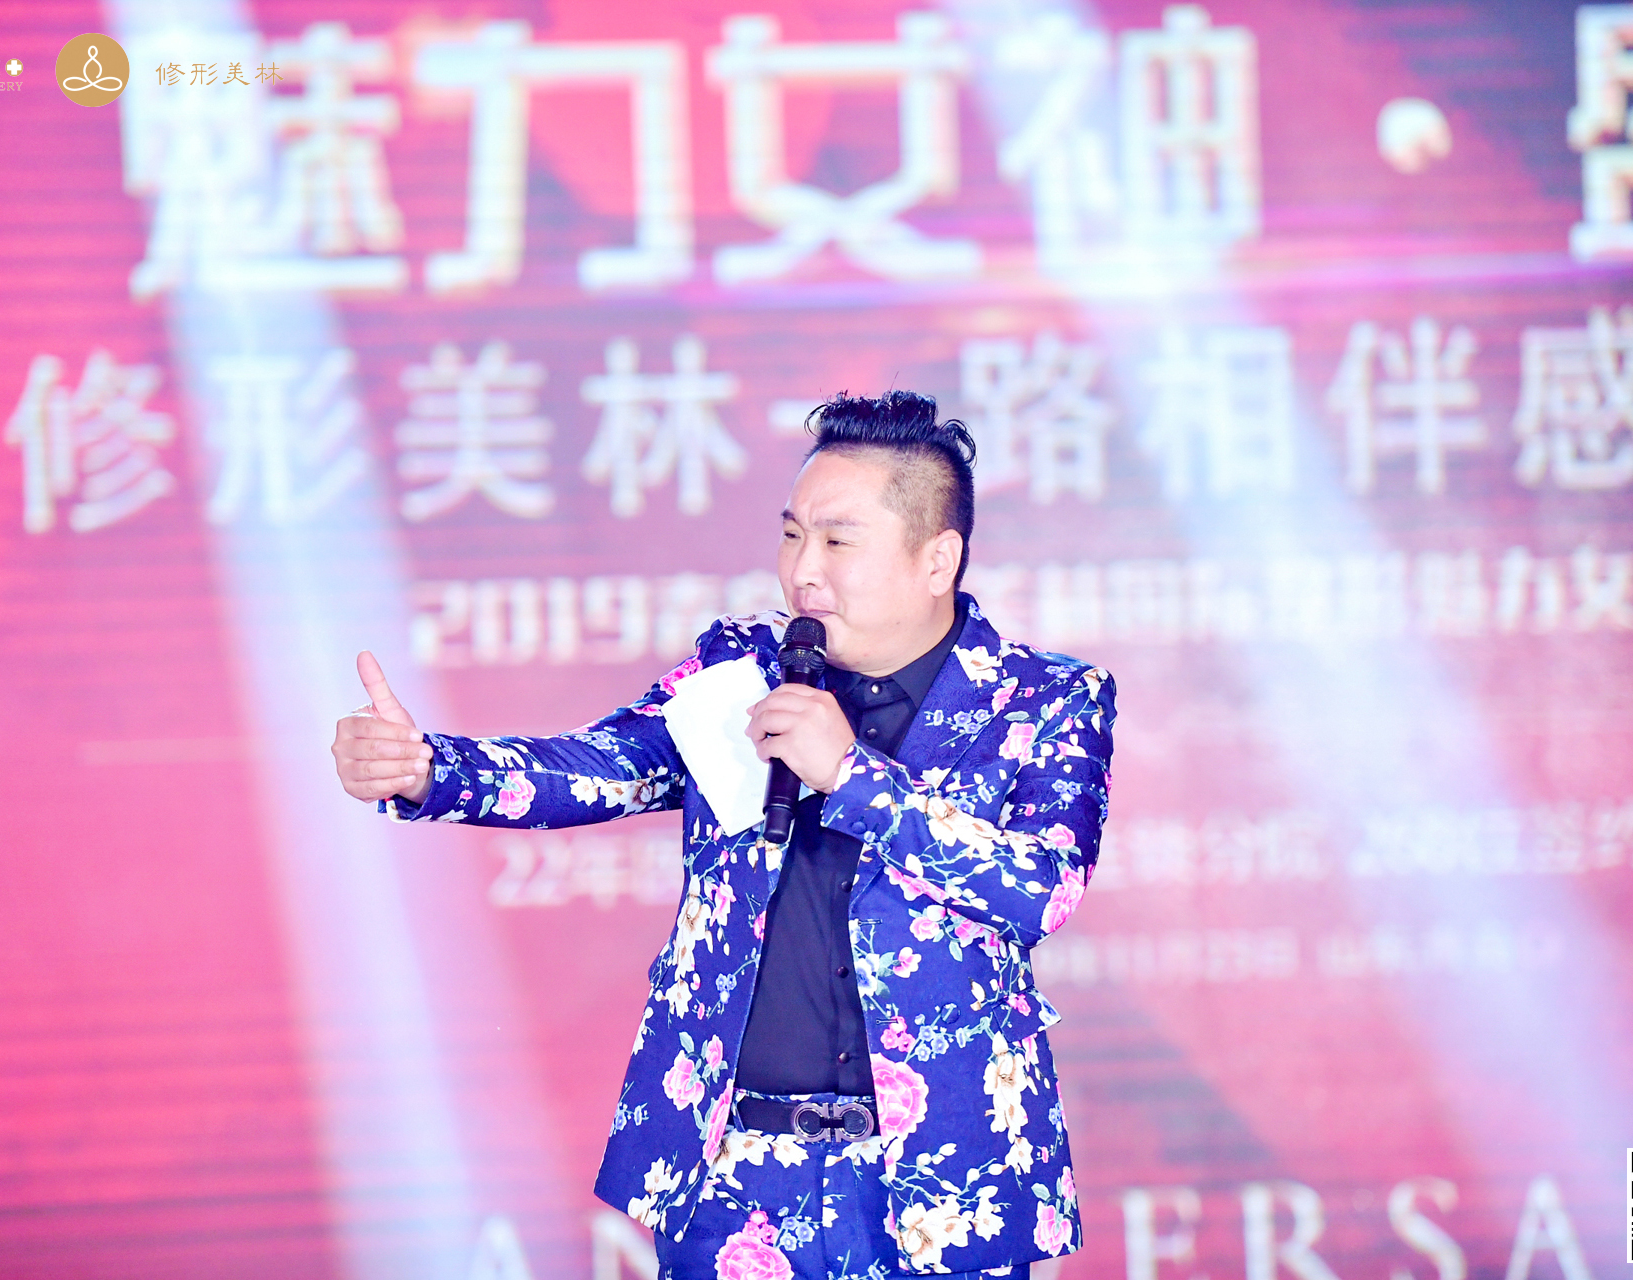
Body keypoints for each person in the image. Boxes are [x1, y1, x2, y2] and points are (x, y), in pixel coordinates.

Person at [332, 392, 1118, 1280]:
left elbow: (1039, 887)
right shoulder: (743, 670)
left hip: (945, 1185)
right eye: (792, 535)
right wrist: (427, 769)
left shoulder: (1046, 701)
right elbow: (604, 765)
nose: (803, 571)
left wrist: (852, 775)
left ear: (937, 559)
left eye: (838, 541)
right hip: (734, 1179)